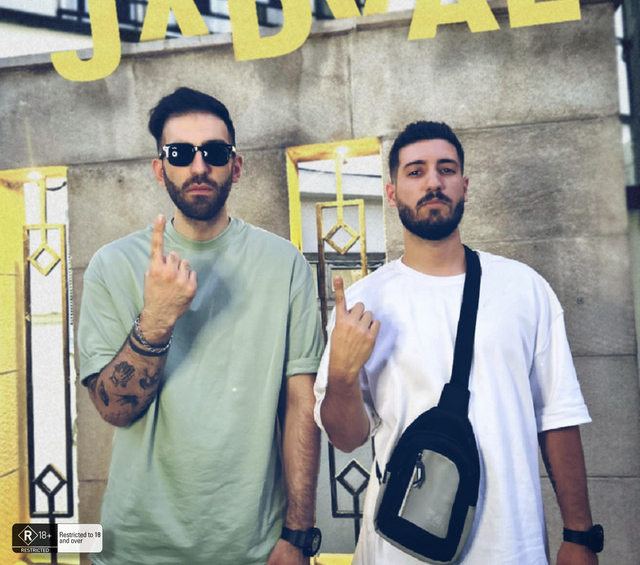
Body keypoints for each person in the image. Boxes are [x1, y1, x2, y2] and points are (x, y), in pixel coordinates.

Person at [314, 121, 602, 565]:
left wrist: (579, 536)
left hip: (511, 547)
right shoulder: (362, 303)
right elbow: (346, 437)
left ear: (464, 186)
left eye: (446, 169)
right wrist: (342, 372)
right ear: (391, 193)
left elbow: (557, 416)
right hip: (399, 550)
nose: (433, 182)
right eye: (415, 171)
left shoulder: (523, 288)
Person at [78, 87, 324, 565]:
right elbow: (113, 409)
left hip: (253, 548)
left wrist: (298, 534)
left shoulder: (285, 264)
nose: (198, 166)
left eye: (214, 152)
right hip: (137, 549)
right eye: (180, 153)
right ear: (160, 169)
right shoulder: (112, 265)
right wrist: (156, 319)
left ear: (236, 165)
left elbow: (301, 403)